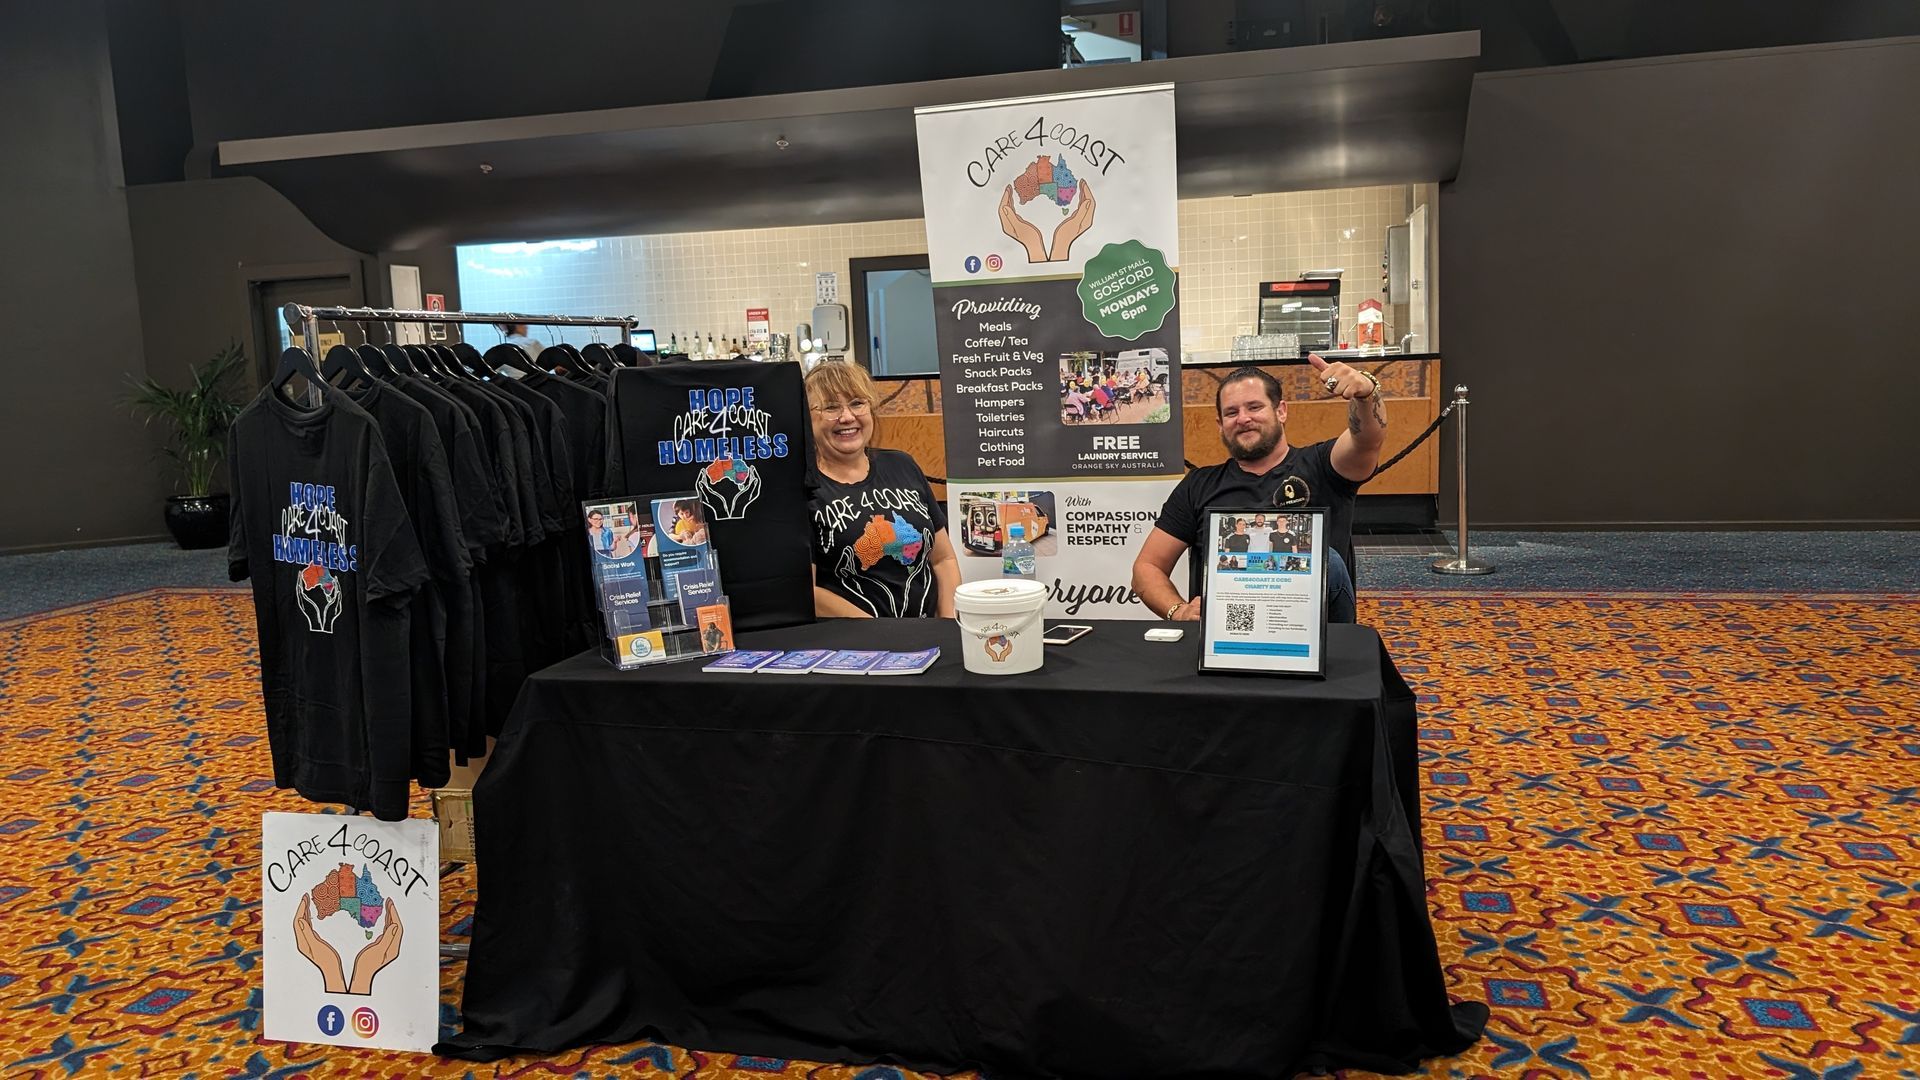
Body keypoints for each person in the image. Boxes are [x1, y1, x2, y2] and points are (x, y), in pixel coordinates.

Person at [1131, 356, 1387, 624]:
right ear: (1220, 425)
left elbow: (1367, 440)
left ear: (1281, 411)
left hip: (1319, 643)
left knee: (1328, 560)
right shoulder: (1198, 485)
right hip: (1225, 641)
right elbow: (1147, 567)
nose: (1243, 418)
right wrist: (1178, 610)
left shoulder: (1324, 466)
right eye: (1231, 412)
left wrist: (1366, 395)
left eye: (1254, 407)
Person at [806, 360, 960, 618]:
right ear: (806, 418)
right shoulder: (803, 489)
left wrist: (948, 624)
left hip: (928, 638)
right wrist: (882, 635)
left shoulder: (902, 464)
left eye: (857, 403)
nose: (847, 417)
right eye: (831, 407)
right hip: (859, 648)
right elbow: (806, 592)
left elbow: (944, 560)